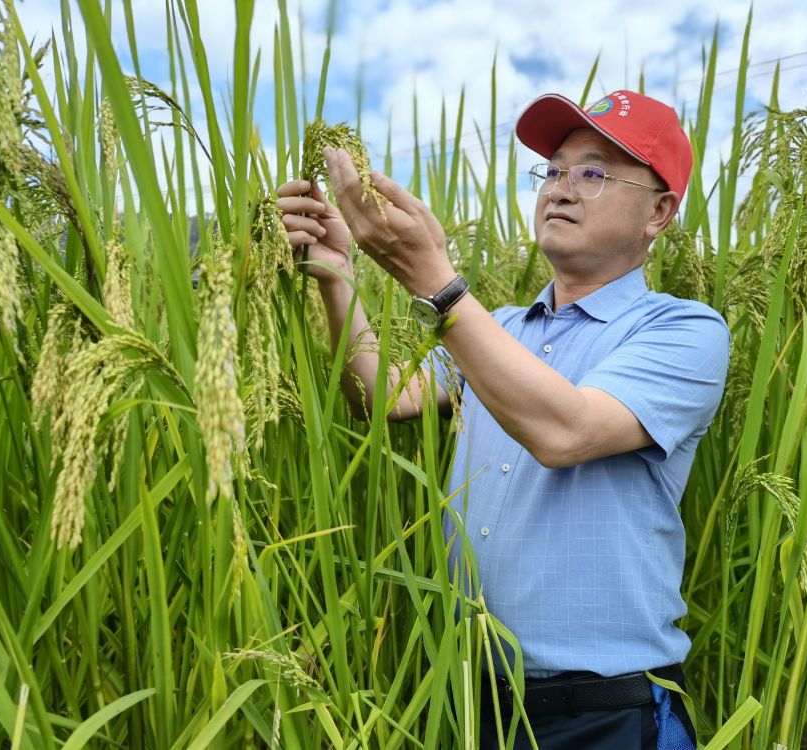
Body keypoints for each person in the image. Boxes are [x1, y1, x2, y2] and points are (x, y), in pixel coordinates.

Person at [277, 89, 730, 749]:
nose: (562, 189)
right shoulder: (502, 330)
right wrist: (338, 277)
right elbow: (382, 398)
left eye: (594, 172)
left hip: (606, 714)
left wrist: (436, 280)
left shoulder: (683, 330)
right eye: (552, 171)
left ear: (659, 211)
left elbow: (565, 431)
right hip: (474, 702)